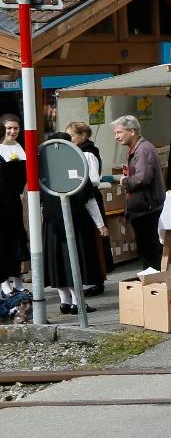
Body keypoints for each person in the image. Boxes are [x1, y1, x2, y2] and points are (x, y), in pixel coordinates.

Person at [40, 132, 105, 314]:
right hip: (75, 223)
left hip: (52, 225)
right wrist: (100, 224)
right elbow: (89, 199)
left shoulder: (43, 170)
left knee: (58, 263)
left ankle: (65, 302)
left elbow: (39, 202)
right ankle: (77, 303)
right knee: (75, 262)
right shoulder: (77, 167)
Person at [113, 115, 165, 271]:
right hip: (142, 206)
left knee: (149, 247)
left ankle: (152, 281)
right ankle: (150, 279)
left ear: (132, 131)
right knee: (146, 247)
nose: (116, 137)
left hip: (146, 207)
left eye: (119, 132)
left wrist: (125, 181)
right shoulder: (138, 148)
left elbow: (143, 178)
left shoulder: (143, 149)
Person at [0, 115, 28, 296]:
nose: (12, 131)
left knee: (17, 239)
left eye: (16, 128)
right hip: (1, 202)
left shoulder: (21, 148)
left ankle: (18, 281)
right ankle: (4, 283)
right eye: (9, 128)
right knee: (2, 241)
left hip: (15, 202)